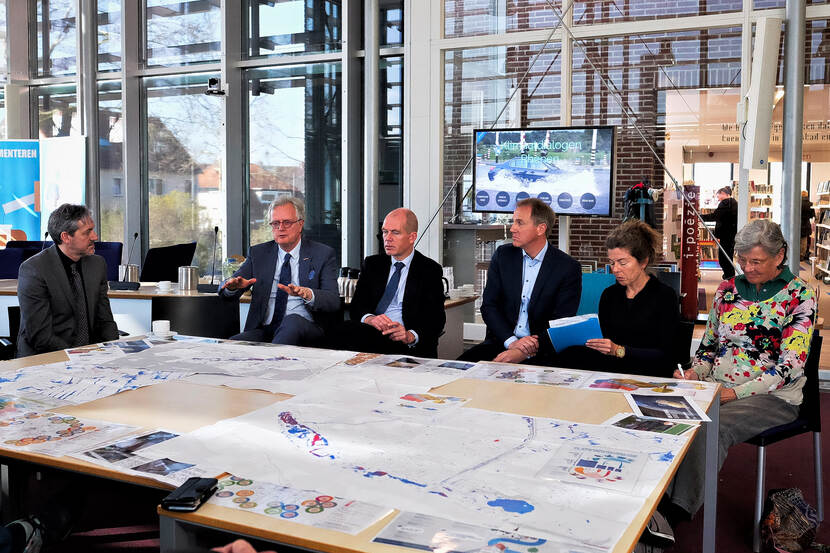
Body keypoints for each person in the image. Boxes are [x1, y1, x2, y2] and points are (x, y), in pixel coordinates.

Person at [663, 219, 816, 525]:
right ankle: (650, 496)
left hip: (772, 396)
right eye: (742, 260)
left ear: (780, 255)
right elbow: (708, 346)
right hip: (717, 385)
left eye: (756, 261)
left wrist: (734, 393)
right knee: (660, 411)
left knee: (711, 426)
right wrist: (695, 372)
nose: (747, 268)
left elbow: (789, 366)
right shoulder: (727, 290)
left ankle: (675, 512)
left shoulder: (799, 295)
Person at [458, 198, 581, 365]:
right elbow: (489, 305)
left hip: (542, 352)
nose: (512, 228)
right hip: (502, 342)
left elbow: (560, 323)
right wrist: (512, 342)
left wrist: (524, 352)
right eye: (513, 222)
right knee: (454, 371)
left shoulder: (567, 267)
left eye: (519, 223)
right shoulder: (503, 256)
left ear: (540, 228)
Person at [557, 220, 679, 377]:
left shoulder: (664, 296)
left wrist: (618, 350)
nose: (615, 269)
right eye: (612, 263)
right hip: (610, 374)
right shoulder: (610, 295)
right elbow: (605, 341)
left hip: (648, 375)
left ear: (643, 262)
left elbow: (666, 355)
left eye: (623, 263)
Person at [219, 197, 339, 346]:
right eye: (275, 223)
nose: (280, 228)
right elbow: (227, 288)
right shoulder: (259, 253)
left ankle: (274, 363)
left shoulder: (322, 254)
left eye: (287, 222)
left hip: (305, 328)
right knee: (233, 345)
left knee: (292, 322)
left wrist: (308, 293)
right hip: (265, 329)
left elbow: (333, 300)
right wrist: (231, 287)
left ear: (300, 224)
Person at [333, 208, 446, 358]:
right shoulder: (373, 264)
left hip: (403, 341)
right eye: (385, 232)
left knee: (348, 334)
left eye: (395, 232)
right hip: (371, 332)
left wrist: (409, 335)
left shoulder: (429, 270)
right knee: (341, 329)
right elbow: (357, 307)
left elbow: (436, 319)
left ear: (412, 237)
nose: (388, 238)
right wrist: (370, 318)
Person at [17, 204, 119, 357]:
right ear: (65, 237)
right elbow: (41, 337)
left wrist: (114, 351)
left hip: (90, 357)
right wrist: (80, 356)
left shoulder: (97, 264)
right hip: (46, 358)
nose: (95, 237)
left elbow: (105, 320)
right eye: (87, 232)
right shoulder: (34, 269)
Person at [700, 186, 738, 280]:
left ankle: (729, 277)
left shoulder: (726, 203)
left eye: (719, 194)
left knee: (724, 259)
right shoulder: (734, 203)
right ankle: (729, 276)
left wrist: (700, 217)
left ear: (724, 194)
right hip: (731, 234)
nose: (717, 197)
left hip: (726, 235)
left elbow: (716, 216)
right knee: (727, 256)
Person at [800, 190, 814, 261]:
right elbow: (812, 215)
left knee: (797, 240)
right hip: (806, 224)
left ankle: (796, 254)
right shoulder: (810, 204)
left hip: (798, 224)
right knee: (804, 241)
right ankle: (802, 255)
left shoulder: (798, 203)